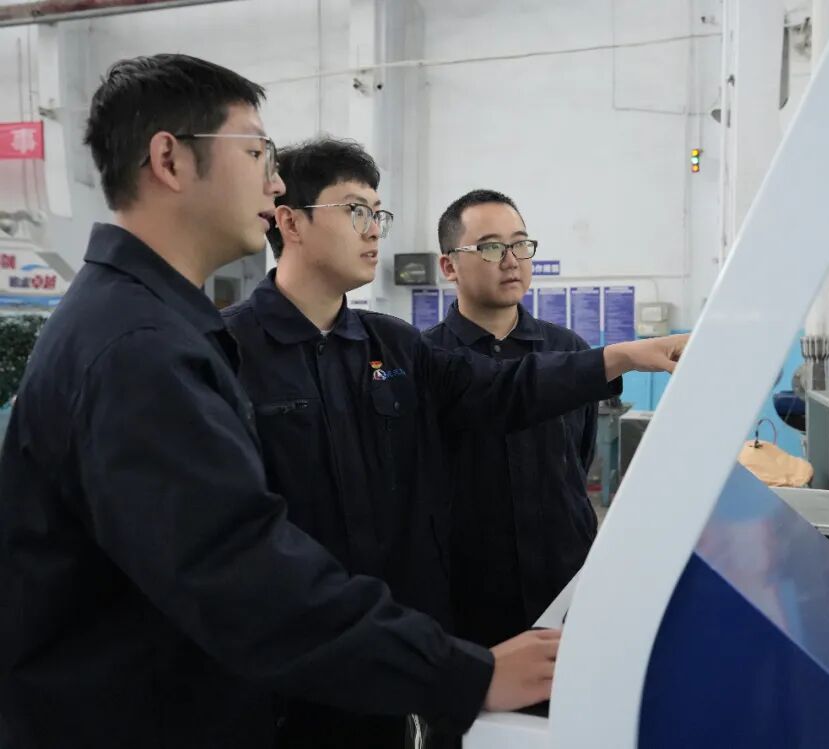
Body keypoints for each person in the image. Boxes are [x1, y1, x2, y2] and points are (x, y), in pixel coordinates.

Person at [0, 55, 610, 749]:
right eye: (255, 152)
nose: (273, 180)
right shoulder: (140, 348)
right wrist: (465, 674)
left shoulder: (152, 325)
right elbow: (240, 572)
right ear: (169, 159)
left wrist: (618, 358)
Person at [222, 137, 688, 746]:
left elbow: (503, 390)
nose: (374, 229)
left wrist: (623, 355)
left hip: (392, 638)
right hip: (287, 658)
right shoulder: (226, 351)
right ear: (290, 222)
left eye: (378, 213)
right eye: (355, 210)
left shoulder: (392, 345)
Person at [423, 189, 598, 648]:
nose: (511, 260)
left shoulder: (569, 352)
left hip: (565, 587)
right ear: (449, 266)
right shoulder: (425, 360)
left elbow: (578, 459)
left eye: (520, 244)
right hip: (467, 600)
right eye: (490, 247)